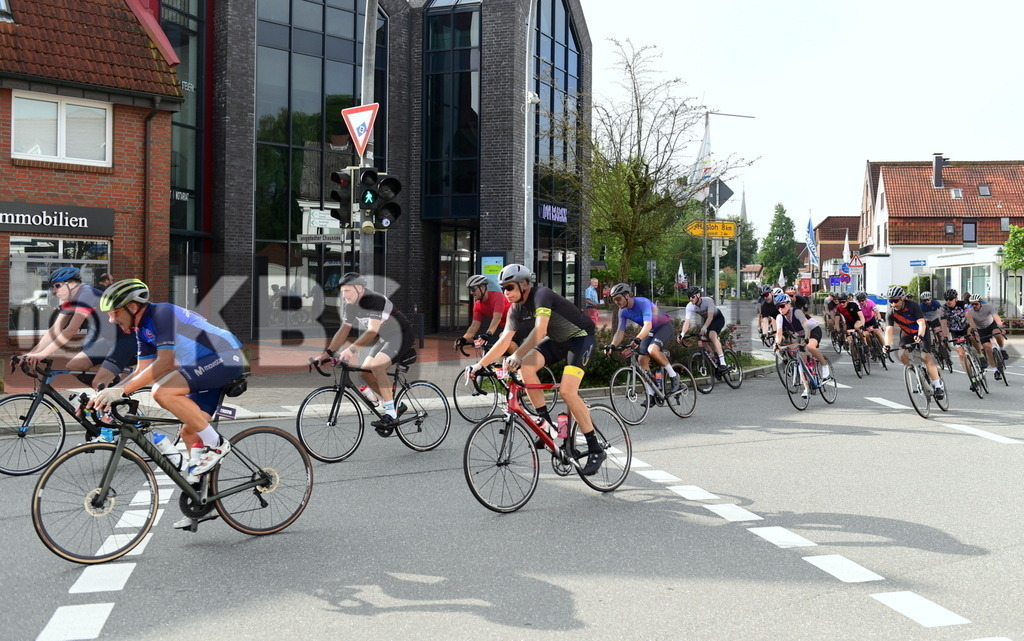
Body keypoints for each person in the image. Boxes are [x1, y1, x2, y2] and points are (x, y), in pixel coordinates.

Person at [89, 279, 245, 493]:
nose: (111, 318)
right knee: (190, 432)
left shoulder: (162, 313)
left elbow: (165, 363)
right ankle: (202, 499)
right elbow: (140, 371)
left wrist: (121, 391)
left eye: (114, 312)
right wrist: (107, 394)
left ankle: (217, 444)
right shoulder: (141, 329)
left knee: (163, 392)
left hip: (225, 357)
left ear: (132, 307)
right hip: (205, 366)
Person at [469, 263, 605, 476]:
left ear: (524, 285)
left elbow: (540, 331)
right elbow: (504, 339)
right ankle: (545, 424)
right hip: (559, 341)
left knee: (568, 392)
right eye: (503, 288)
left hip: (581, 339)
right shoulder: (515, 308)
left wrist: (517, 354)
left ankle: (595, 448)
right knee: (526, 367)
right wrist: (479, 365)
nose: (506, 293)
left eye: (510, 287)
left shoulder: (541, 295)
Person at [318, 272, 414, 434]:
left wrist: (351, 349)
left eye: (347, 291)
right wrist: (327, 353)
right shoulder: (350, 305)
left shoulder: (374, 300)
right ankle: (395, 405)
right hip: (385, 338)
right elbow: (344, 330)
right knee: (365, 372)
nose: (344, 295)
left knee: (377, 366)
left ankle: (391, 413)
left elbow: (372, 331)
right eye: (342, 292)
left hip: (401, 335)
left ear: (359, 289)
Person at [22, 266, 136, 391]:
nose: (54, 291)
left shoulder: (86, 294)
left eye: (57, 286)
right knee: (74, 366)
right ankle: (110, 393)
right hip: (110, 340)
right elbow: (55, 330)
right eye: (52, 287)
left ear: (71, 284)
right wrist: (31, 354)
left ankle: (109, 393)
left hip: (127, 338)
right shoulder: (71, 300)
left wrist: (42, 354)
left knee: (98, 383)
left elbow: (71, 330)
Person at [604, 283, 680, 403]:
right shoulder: (622, 311)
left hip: (664, 327)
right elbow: (620, 331)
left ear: (627, 295)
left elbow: (647, 325)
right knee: (641, 360)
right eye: (614, 300)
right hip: (651, 332)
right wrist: (612, 345)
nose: (617, 302)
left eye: (618, 298)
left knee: (652, 350)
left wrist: (638, 338)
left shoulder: (642, 302)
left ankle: (674, 377)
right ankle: (651, 393)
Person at [883, 285, 945, 399]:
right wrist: (886, 345)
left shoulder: (913, 306)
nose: (893, 304)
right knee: (901, 355)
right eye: (890, 301)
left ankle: (938, 386)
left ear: (902, 298)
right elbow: (889, 330)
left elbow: (921, 322)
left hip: (921, 332)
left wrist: (920, 335)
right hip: (907, 334)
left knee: (926, 357)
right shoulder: (890, 312)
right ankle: (917, 373)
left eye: (895, 300)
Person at [773, 293, 830, 397]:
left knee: (809, 347)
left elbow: (806, 327)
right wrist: (777, 343)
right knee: (801, 363)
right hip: (800, 334)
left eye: (782, 306)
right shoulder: (780, 317)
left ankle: (824, 366)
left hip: (812, 330)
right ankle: (806, 388)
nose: (780, 309)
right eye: (777, 307)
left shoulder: (797, 312)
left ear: (789, 304)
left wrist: (807, 339)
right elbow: (779, 332)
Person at [678, 286, 728, 375]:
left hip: (717, 319)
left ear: (698, 295)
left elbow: (710, 317)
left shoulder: (708, 300)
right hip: (707, 321)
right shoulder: (690, 306)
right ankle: (714, 359)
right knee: (702, 339)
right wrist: (682, 334)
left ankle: (723, 363)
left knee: (712, 335)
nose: (690, 299)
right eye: (689, 297)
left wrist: (704, 328)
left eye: (692, 296)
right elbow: (687, 322)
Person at [455, 274, 507, 353]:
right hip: (503, 324)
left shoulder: (497, 297)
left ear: (482, 288)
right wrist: (464, 338)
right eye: (470, 290)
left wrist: (488, 334)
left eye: (473, 289)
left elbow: (497, 318)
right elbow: (474, 325)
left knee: (504, 337)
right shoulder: (478, 304)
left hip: (518, 321)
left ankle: (520, 360)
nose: (471, 292)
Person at [966, 292, 1010, 379]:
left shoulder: (988, 307)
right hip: (981, 329)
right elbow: (972, 324)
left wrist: (1001, 327)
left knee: (997, 333)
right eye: (972, 304)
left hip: (991, 325)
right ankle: (995, 370)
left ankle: (1002, 350)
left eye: (976, 304)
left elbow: (996, 318)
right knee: (987, 348)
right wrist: (974, 331)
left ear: (980, 303)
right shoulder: (970, 312)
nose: (974, 306)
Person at [938, 289, 974, 389]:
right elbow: (944, 324)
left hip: (966, 327)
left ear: (956, 299)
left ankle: (980, 356)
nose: (948, 301)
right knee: (961, 354)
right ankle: (972, 378)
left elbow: (968, 316)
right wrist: (945, 337)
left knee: (972, 336)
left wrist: (973, 328)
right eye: (946, 299)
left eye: (950, 299)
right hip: (955, 331)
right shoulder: (944, 308)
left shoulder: (963, 304)